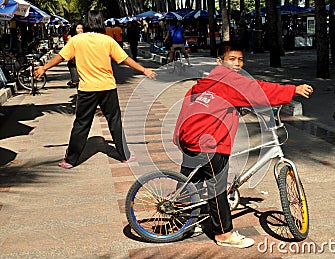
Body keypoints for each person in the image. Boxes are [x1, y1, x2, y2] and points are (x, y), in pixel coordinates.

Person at [173, 41, 313, 248]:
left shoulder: (210, 80)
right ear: (220, 61)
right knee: (217, 187)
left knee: (190, 181)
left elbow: (208, 101)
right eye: (231, 59)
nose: (237, 64)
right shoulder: (230, 81)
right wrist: (293, 89)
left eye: (240, 59)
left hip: (190, 136)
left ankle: (181, 217)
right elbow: (259, 90)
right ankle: (223, 234)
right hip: (208, 141)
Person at [34, 10, 157, 169]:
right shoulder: (107, 40)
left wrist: (44, 67)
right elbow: (125, 59)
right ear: (100, 22)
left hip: (87, 89)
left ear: (86, 23)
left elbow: (61, 57)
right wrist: (144, 70)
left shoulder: (77, 40)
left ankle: (70, 160)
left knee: (81, 123)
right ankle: (125, 156)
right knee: (114, 122)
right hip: (107, 87)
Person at [66, 22, 85, 88]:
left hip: (84, 61)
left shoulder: (86, 37)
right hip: (74, 61)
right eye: (78, 28)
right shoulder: (71, 38)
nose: (80, 30)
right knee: (76, 81)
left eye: (82, 28)